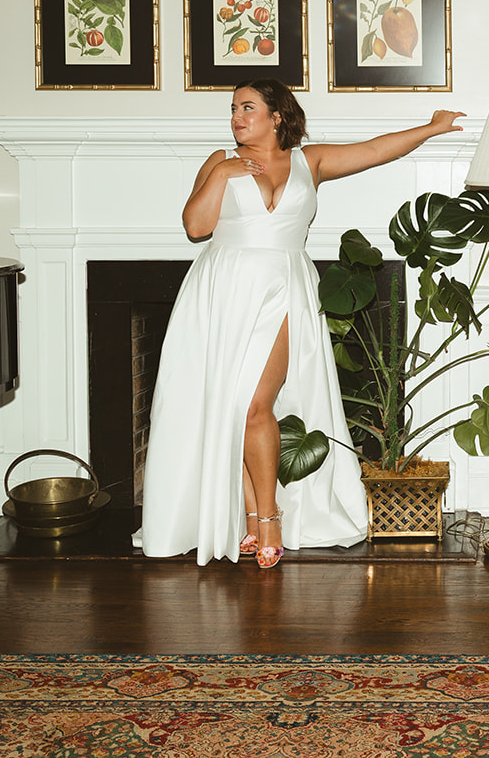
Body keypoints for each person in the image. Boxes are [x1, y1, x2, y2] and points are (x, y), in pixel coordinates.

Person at [140, 79, 464, 567]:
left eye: (248, 107)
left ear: (277, 116)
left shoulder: (307, 162)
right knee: (228, 408)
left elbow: (374, 151)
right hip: (221, 293)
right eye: (233, 109)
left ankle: (269, 515)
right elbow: (195, 227)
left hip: (284, 289)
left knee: (254, 405)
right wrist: (223, 173)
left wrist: (431, 129)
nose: (236, 117)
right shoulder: (219, 163)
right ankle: (253, 519)